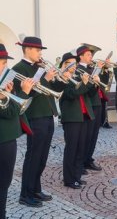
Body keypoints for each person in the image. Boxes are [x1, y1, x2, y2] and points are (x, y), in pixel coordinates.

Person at [13, 36, 69, 207]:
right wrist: (46, 79)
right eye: (38, 50)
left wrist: (62, 79)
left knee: (42, 157)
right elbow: (28, 93)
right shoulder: (19, 68)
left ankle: (36, 189)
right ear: (28, 49)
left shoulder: (40, 67)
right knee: (33, 156)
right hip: (34, 116)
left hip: (48, 114)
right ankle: (25, 194)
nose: (40, 53)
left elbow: (52, 90)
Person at [0, 44, 33, 218]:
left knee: (4, 184)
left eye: (5, 62)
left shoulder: (3, 83)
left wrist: (8, 94)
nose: (5, 66)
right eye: (2, 62)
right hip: (3, 141)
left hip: (8, 139)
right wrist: (25, 93)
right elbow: (10, 111)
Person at [59, 52, 95, 189]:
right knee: (72, 149)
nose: (74, 67)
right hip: (72, 117)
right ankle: (69, 179)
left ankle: (77, 176)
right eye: (71, 64)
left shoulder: (77, 75)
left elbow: (90, 94)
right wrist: (84, 84)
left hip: (84, 115)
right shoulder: (63, 77)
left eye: (75, 64)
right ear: (64, 65)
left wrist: (94, 83)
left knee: (81, 148)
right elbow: (71, 94)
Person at [76, 45, 107, 171]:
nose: (91, 57)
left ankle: (88, 159)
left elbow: (103, 85)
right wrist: (96, 72)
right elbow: (87, 90)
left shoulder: (91, 68)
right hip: (89, 105)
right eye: (88, 55)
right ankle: (81, 161)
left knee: (94, 135)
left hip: (97, 103)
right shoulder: (79, 70)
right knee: (86, 136)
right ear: (81, 56)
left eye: (91, 55)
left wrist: (102, 71)